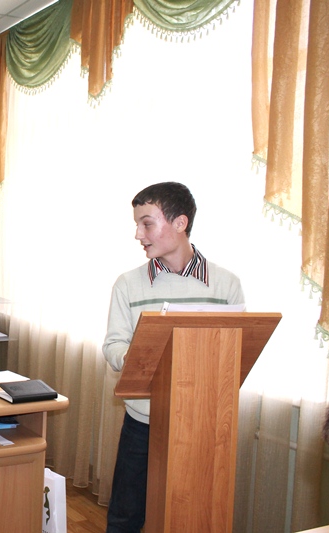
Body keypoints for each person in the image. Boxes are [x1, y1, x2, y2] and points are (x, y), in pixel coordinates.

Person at [102, 182, 244, 533]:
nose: (138, 234)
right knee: (125, 517)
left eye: (147, 224)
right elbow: (114, 345)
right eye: (137, 224)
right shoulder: (128, 284)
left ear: (180, 223)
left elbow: (234, 354)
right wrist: (141, 357)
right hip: (142, 423)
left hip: (203, 425)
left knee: (196, 516)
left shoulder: (226, 284)